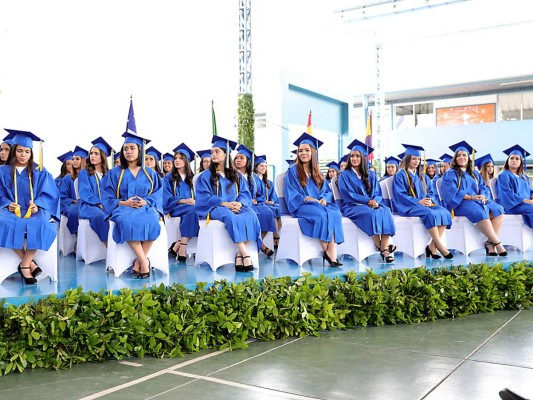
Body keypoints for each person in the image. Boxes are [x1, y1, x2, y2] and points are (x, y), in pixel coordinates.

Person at [0, 130, 60, 284]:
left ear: (31, 153)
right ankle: (31, 264)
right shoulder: (3, 171)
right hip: (10, 211)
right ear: (14, 151)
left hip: (34, 211)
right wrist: (7, 204)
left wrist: (38, 205)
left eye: (27, 151)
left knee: (42, 223)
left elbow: (50, 193)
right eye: (19, 151)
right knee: (4, 222)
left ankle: (25, 264)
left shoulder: (39, 171)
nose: (23, 155)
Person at [101, 132, 163, 278]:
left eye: (132, 148)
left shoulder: (149, 173)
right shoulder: (114, 173)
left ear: (139, 150)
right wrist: (124, 202)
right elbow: (106, 196)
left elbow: (158, 193)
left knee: (153, 220)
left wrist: (146, 201)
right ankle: (144, 262)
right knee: (127, 221)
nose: (128, 152)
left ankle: (138, 262)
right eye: (125, 149)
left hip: (145, 207)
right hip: (122, 207)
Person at [195, 135, 261, 272]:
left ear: (226, 154)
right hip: (215, 208)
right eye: (212, 152)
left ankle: (238, 254)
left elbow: (244, 193)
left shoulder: (236, 175)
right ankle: (245, 254)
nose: (213, 154)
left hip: (235, 206)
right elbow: (204, 196)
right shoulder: (205, 176)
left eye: (217, 152)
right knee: (229, 217)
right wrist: (225, 203)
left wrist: (240, 204)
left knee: (252, 215)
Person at [284, 132, 344, 266]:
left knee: (334, 212)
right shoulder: (292, 170)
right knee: (321, 214)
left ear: (313, 153)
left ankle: (331, 252)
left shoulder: (318, 172)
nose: (303, 153)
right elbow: (291, 192)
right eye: (300, 151)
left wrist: (323, 199)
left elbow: (326, 190)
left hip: (318, 204)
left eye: (306, 150)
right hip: (301, 205)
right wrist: (307, 198)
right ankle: (327, 251)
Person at [440, 141, 507, 256]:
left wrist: (483, 196)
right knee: (479, 211)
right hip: (460, 203)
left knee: (499, 210)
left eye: (464, 155)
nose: (461, 157)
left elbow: (483, 187)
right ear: (455, 158)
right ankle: (498, 243)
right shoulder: (450, 173)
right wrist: (471, 197)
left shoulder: (475, 173)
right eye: (459, 155)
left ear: (468, 158)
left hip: (476, 201)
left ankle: (490, 243)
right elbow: (451, 191)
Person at [338, 139, 396, 262]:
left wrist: (374, 201)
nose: (354, 158)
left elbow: (377, 191)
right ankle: (383, 248)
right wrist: (367, 201)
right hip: (352, 205)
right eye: (352, 156)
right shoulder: (344, 174)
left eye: (357, 156)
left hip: (371, 204)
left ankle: (383, 247)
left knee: (386, 211)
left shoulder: (370, 174)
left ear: (363, 158)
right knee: (369, 213)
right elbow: (347, 194)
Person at [392, 144, 453, 259]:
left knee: (444, 212)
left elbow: (431, 191)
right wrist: (418, 201)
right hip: (409, 206)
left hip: (425, 204)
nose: (416, 161)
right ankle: (439, 245)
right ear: (407, 159)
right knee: (429, 213)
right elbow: (400, 194)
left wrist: (429, 200)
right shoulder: (400, 175)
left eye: (418, 159)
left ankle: (432, 246)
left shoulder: (423, 176)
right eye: (414, 159)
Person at [234, 144, 276, 257]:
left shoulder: (253, 176)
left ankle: (256, 243)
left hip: (254, 204)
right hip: (240, 205)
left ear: (248, 160)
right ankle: (261, 246)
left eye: (241, 158)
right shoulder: (232, 175)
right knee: (254, 215)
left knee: (267, 213)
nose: (238, 160)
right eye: (236, 158)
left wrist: (256, 200)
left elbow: (260, 194)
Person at [164, 143, 199, 262]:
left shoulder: (193, 178)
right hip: (174, 207)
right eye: (175, 158)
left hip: (191, 207)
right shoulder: (168, 178)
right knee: (193, 210)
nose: (177, 160)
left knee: (197, 211)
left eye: (180, 158)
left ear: (186, 160)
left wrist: (194, 201)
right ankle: (183, 246)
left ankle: (179, 243)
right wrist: (182, 200)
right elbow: (165, 196)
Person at [77, 137, 113, 245]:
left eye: (96, 153)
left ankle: (122, 248)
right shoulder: (84, 173)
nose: (92, 156)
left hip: (106, 205)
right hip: (89, 206)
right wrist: (99, 203)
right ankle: (109, 248)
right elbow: (85, 193)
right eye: (91, 153)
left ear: (103, 156)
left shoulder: (109, 174)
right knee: (100, 216)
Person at [496, 145, 533, 230]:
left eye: (517, 159)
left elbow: (529, 191)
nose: (514, 160)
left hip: (524, 205)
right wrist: (529, 201)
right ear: (508, 161)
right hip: (511, 206)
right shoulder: (504, 175)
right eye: (511, 158)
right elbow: (507, 194)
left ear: (521, 162)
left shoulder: (524, 176)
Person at [253, 155, 282, 252]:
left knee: (278, 209)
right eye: (261, 166)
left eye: (265, 166)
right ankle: (275, 238)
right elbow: (255, 195)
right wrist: (264, 201)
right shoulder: (253, 179)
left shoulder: (269, 182)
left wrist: (272, 200)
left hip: (268, 203)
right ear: (256, 167)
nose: (264, 168)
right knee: (272, 211)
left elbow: (274, 195)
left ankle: (276, 235)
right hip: (260, 204)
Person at [59, 146, 88, 237]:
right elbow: (62, 196)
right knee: (75, 212)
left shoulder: (90, 176)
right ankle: (77, 237)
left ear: (83, 160)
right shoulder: (67, 178)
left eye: (77, 159)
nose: (73, 161)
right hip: (71, 204)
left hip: (87, 204)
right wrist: (72, 201)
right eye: (73, 159)